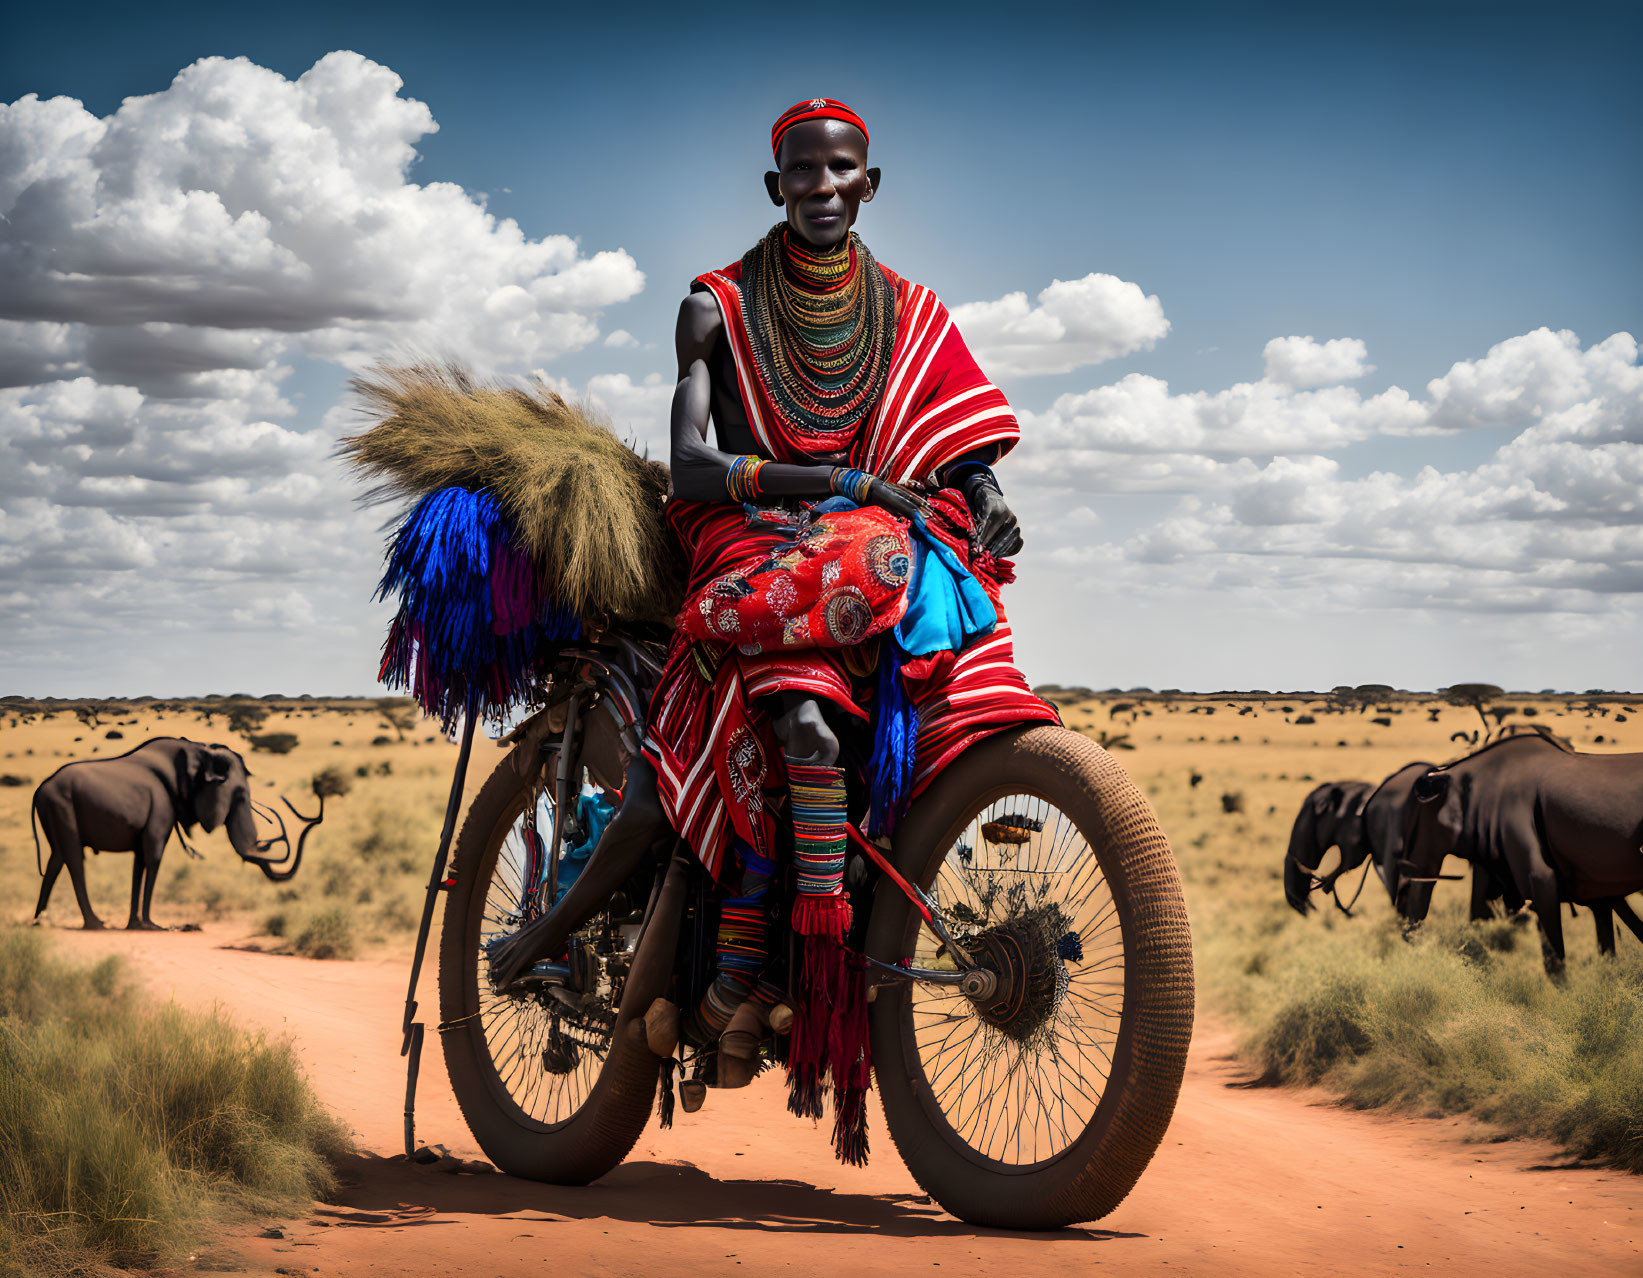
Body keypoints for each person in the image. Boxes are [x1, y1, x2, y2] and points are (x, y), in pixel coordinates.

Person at [645, 98, 1057, 1159]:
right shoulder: (716, 306)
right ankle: (781, 966)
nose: (821, 189)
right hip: (748, 536)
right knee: (810, 734)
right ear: (773, 185)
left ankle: (831, 915)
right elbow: (691, 467)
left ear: (868, 184)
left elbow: (951, 435)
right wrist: (832, 479)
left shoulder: (910, 311)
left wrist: (979, 488)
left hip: (867, 538)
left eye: (840, 173)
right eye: (801, 173)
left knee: (933, 638)